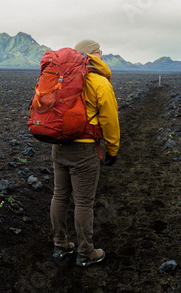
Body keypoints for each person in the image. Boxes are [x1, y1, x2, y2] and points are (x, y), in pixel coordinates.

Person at [50, 39, 120, 267]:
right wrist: (113, 148)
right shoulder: (99, 82)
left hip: (59, 145)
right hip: (84, 148)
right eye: (101, 52)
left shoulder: (60, 79)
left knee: (60, 195)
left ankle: (60, 245)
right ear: (93, 55)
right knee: (83, 203)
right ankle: (86, 252)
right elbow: (110, 119)